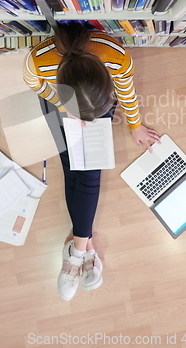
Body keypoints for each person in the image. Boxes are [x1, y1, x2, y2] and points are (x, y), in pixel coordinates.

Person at [23, 22, 160, 301]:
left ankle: (77, 249)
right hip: (60, 103)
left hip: (93, 102)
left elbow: (126, 90)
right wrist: (65, 106)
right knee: (72, 165)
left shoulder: (116, 56)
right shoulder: (37, 62)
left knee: (86, 167)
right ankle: (82, 248)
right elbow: (37, 86)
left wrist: (134, 124)